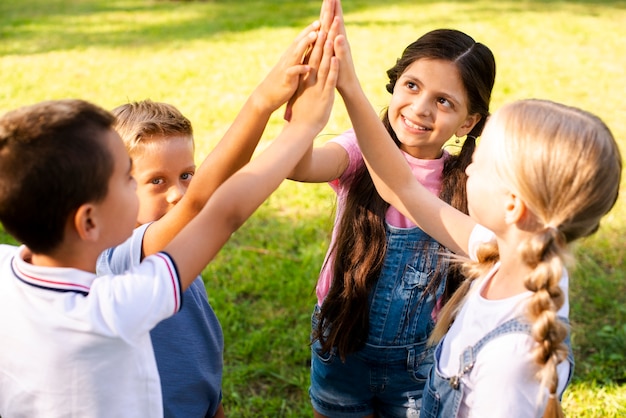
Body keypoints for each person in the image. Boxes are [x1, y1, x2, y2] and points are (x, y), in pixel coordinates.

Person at [0, 14, 338, 417]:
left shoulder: (8, 269)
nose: (178, 193)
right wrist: (300, 127)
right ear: (88, 222)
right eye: (127, 178)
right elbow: (214, 209)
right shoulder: (112, 304)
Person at [331, 11, 622, 416]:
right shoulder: (510, 253)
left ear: (513, 205)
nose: (466, 168)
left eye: (479, 163)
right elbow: (404, 188)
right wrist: (347, 85)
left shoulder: (511, 361)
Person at [289, 2, 495, 416]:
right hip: (342, 343)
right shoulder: (355, 149)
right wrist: (306, 99)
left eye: (443, 101)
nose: (420, 108)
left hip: (419, 361)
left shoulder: (471, 182)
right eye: (412, 86)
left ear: (468, 122)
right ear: (395, 83)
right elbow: (298, 165)